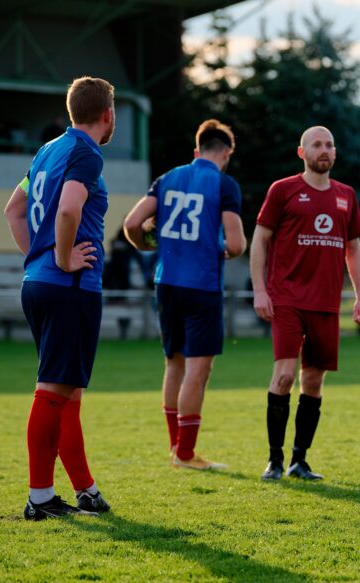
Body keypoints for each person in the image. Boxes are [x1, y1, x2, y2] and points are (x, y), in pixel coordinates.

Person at [3, 76, 116, 520]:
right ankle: (39, 497)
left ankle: (85, 489)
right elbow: (69, 207)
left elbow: (13, 209)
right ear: (108, 115)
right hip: (68, 287)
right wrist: (64, 257)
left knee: (67, 391)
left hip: (40, 281)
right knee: (54, 389)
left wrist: (38, 257)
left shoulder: (46, 150)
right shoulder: (88, 152)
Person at [123, 119, 246, 470]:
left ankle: (174, 448)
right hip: (202, 284)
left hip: (166, 282)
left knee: (173, 363)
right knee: (198, 368)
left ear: (196, 151)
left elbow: (132, 224)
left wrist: (147, 245)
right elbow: (236, 244)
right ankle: (187, 453)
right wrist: (222, 247)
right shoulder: (224, 184)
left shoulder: (167, 178)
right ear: (225, 153)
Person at [251, 126, 360, 481]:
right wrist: (260, 290)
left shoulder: (346, 195)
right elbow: (260, 240)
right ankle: (274, 459)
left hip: (326, 303)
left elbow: (354, 250)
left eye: (330, 144)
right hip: (287, 298)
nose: (324, 149)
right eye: (317, 144)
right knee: (285, 375)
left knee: (313, 381)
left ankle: (299, 461)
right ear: (301, 152)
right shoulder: (283, 190)